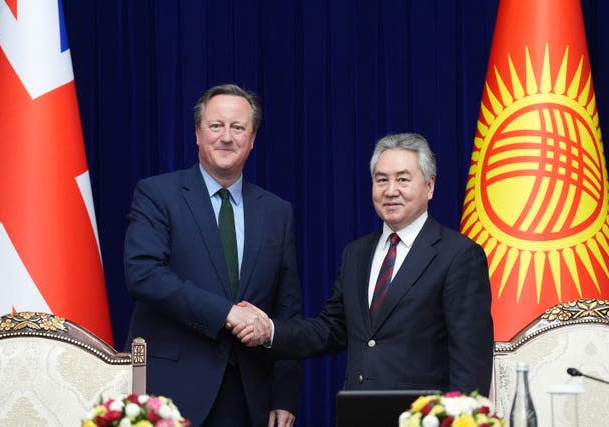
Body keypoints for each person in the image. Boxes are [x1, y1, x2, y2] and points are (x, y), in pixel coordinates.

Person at [235, 133, 493, 394]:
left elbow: (470, 363)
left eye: (403, 179)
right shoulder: (356, 254)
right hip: (358, 412)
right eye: (381, 180)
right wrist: (271, 330)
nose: (391, 191)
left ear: (430, 186)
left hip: (422, 417)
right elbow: (330, 329)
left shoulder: (459, 255)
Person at [124, 84, 302, 427]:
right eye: (215, 126)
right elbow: (143, 275)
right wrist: (227, 314)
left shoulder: (277, 212)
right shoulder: (157, 194)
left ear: (251, 139)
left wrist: (284, 393)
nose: (226, 137)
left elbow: (287, 307)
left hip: (248, 396)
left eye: (238, 128)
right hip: (171, 393)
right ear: (197, 133)